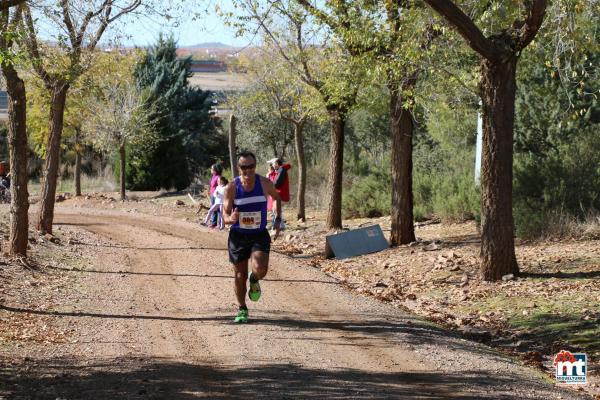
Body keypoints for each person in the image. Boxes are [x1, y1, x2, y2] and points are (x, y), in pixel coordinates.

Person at [223, 151, 282, 323]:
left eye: (251, 167)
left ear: (256, 166)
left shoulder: (264, 183)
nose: (248, 171)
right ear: (238, 168)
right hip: (238, 236)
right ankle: (242, 309)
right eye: (244, 167)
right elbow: (225, 214)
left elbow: (277, 198)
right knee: (239, 275)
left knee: (261, 268)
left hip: (258, 234)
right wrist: (230, 219)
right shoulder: (232, 187)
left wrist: (277, 219)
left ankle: (254, 278)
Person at [270, 158, 291, 230]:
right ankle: (275, 225)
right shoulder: (278, 171)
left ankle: (281, 226)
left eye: (273, 163)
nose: (272, 165)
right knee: (274, 209)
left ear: (276, 163)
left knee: (276, 209)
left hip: (280, 194)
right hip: (277, 193)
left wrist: (269, 185)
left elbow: (277, 183)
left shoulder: (282, 171)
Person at [208, 163, 223, 228]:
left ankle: (218, 224)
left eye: (212, 168)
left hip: (217, 196)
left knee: (218, 210)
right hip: (212, 195)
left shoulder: (218, 177)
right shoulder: (213, 176)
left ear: (215, 170)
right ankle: (214, 223)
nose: (210, 169)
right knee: (213, 209)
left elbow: (221, 186)